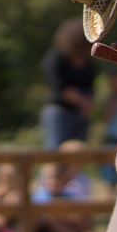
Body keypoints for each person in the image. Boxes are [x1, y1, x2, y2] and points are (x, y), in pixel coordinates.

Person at [40, 19, 97, 150]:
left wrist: (87, 106)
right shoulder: (55, 59)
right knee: (55, 153)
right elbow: (60, 89)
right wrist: (83, 102)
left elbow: (91, 88)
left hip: (80, 114)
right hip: (59, 113)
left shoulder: (88, 63)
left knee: (77, 155)